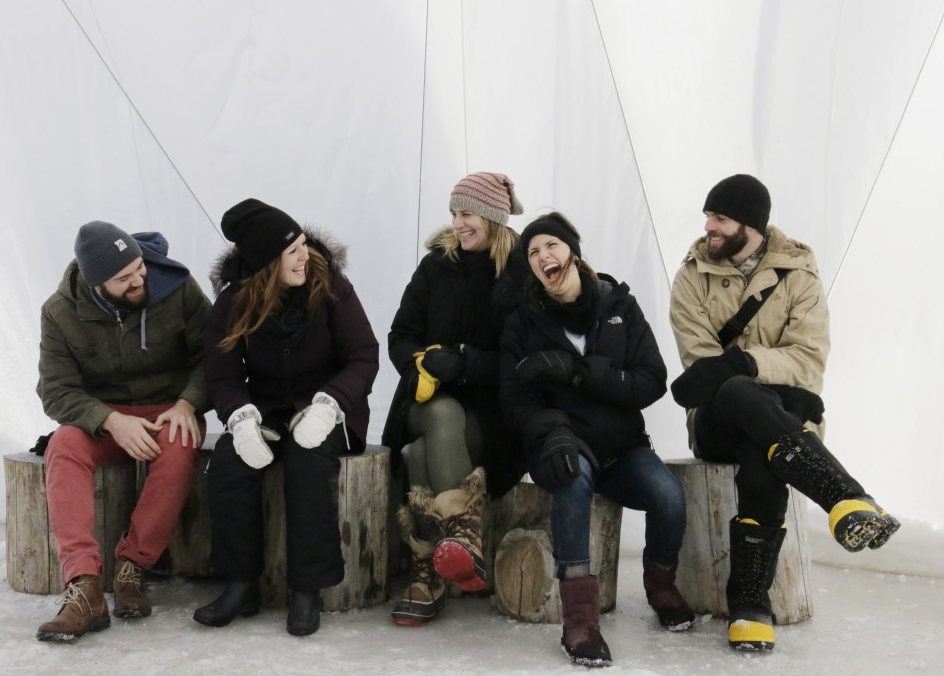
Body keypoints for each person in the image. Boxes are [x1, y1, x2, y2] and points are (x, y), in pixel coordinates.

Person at [669, 173, 900, 652]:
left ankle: (750, 604)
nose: (708, 226)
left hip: (777, 428)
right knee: (732, 391)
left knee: (762, 453)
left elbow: (809, 360)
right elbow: (701, 370)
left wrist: (746, 361)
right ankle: (843, 496)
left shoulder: (799, 275)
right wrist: (744, 371)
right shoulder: (692, 276)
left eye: (720, 218)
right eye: (708, 216)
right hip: (716, 423)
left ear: (750, 225)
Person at [500, 212, 693, 668]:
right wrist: (551, 433)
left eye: (551, 245)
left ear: (573, 250)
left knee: (668, 496)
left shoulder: (619, 307)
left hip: (623, 447)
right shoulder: (522, 323)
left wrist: (579, 372)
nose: (544, 256)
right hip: (562, 444)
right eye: (533, 252)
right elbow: (513, 401)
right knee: (572, 481)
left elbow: (651, 381)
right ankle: (581, 620)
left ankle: (661, 588)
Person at [193, 199, 378, 636]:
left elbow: (363, 357)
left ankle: (306, 590)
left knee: (308, 461)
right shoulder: (233, 301)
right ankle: (240, 584)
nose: (304, 255)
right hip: (267, 408)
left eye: (303, 244)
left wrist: (330, 403)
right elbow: (221, 373)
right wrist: (239, 418)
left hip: (329, 408)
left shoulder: (332, 286)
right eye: (291, 250)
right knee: (229, 464)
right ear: (263, 263)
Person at [35, 221, 210, 642]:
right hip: (104, 417)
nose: (138, 280)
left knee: (180, 446)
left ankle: (133, 565)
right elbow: (55, 390)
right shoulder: (59, 312)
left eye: (138, 268)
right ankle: (84, 587)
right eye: (124, 278)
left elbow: (215, 356)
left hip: (170, 409)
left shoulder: (178, 287)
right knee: (63, 446)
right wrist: (110, 420)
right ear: (97, 283)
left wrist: (188, 403)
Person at [382, 172, 528, 626]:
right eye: (454, 213)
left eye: (466, 214)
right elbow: (400, 335)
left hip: (489, 415)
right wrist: (422, 363)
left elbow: (520, 359)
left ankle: (428, 571)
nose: (457, 223)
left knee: (419, 454)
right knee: (440, 415)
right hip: (426, 401)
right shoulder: (436, 266)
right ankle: (464, 539)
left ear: (491, 217)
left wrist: (465, 363)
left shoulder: (520, 273)